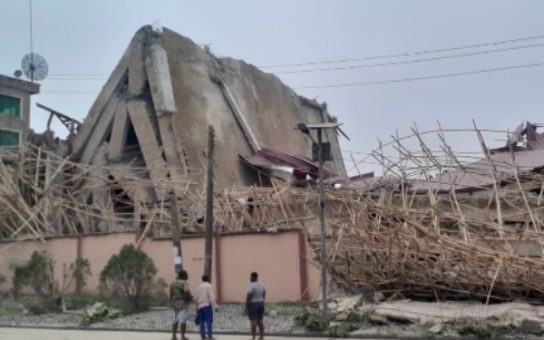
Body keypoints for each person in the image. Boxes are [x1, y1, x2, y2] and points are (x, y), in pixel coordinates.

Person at [170, 270, 192, 340]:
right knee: (183, 320)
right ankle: (182, 336)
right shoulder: (184, 283)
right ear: (183, 276)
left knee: (175, 320)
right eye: (186, 275)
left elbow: (171, 294)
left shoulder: (172, 283)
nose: (187, 276)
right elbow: (186, 292)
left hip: (174, 303)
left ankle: (173, 336)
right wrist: (188, 300)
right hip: (182, 304)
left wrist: (171, 302)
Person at [195, 274, 217, 340]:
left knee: (201, 321)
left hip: (199, 306)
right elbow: (211, 297)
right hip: (207, 305)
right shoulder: (209, 286)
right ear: (208, 279)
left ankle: (203, 335)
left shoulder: (199, 287)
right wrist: (215, 307)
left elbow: (196, 298)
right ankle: (210, 336)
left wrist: (196, 308)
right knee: (209, 321)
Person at [246, 272, 266, 340]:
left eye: (250, 277)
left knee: (253, 321)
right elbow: (264, 293)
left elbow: (249, 296)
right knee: (260, 320)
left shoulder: (251, 286)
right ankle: (261, 336)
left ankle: (253, 337)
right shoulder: (262, 285)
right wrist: (262, 300)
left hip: (253, 303)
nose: (250, 278)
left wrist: (247, 304)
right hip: (261, 302)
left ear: (253, 277)